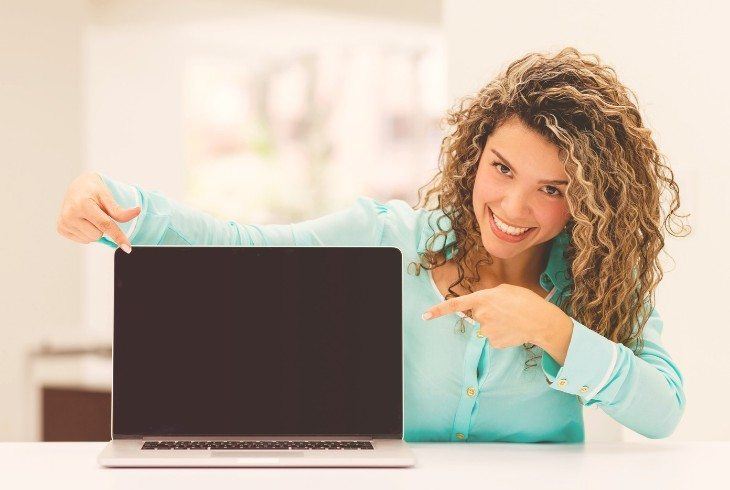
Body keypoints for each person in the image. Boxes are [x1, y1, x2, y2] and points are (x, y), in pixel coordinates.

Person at [57, 47, 689, 442]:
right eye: (501, 169)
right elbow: (244, 245)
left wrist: (553, 330)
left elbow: (662, 414)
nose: (515, 208)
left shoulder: (598, 277)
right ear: (475, 155)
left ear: (589, 196)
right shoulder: (389, 239)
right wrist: (116, 202)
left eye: (551, 188)